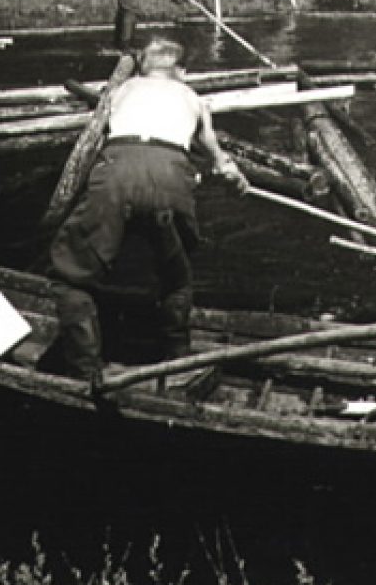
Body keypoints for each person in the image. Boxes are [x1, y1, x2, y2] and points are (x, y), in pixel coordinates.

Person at [47, 37, 249, 385]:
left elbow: (94, 140)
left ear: (142, 69)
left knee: (71, 275)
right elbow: (219, 159)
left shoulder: (120, 91)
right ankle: (177, 359)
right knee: (176, 273)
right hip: (170, 171)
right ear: (181, 72)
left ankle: (85, 371)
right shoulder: (194, 99)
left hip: (118, 166)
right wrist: (236, 178)